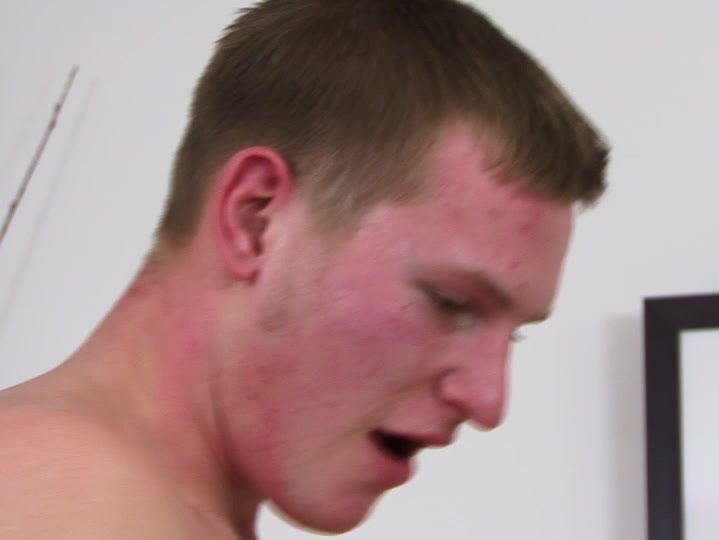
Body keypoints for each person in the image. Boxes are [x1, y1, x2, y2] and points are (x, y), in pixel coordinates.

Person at [0, 0, 609, 538]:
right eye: (450, 302)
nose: (488, 400)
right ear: (257, 219)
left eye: (514, 335)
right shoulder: (61, 505)